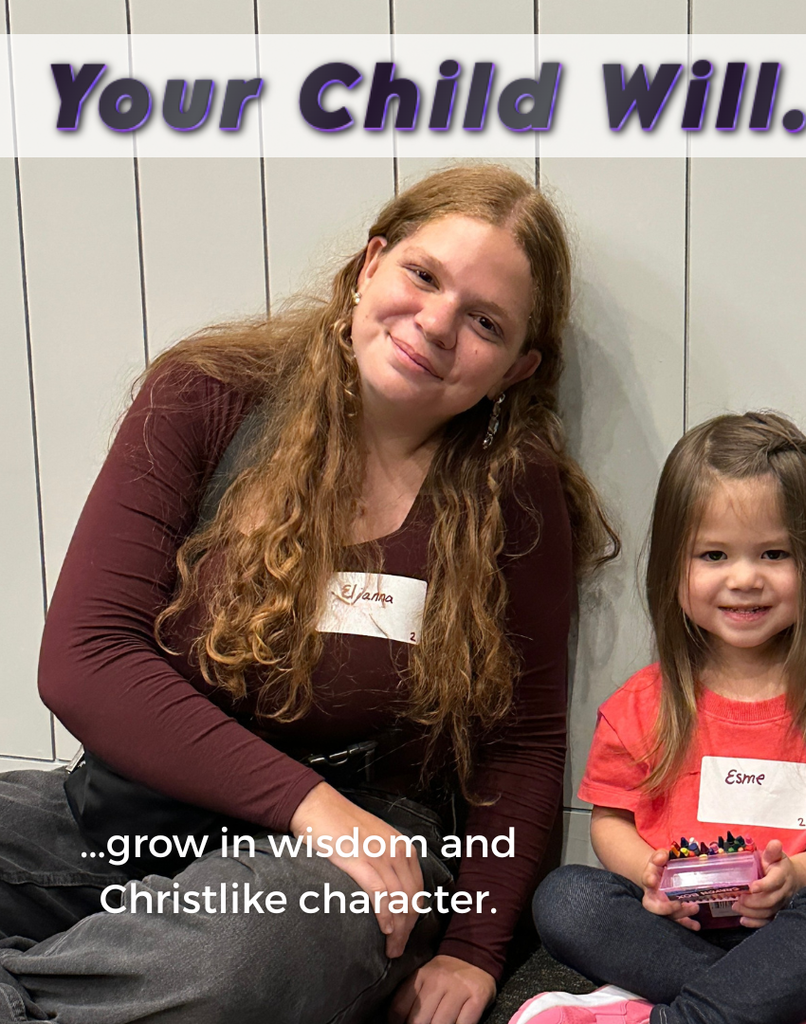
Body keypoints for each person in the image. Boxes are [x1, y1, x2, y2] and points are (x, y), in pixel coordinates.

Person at [0, 165, 617, 1024]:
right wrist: (307, 805)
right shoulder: (206, 394)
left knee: (237, 959)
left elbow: (522, 742)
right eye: (422, 275)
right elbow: (87, 660)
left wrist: (476, 951)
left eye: (485, 322)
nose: (436, 324)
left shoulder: (513, 488)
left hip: (365, 854)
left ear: (516, 369)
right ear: (369, 266)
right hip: (135, 813)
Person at [526, 412, 806, 1024]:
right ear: (673, 569)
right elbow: (611, 824)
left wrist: (799, 875)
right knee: (565, 899)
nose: (744, 578)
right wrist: (644, 875)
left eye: (774, 553)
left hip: (794, 931)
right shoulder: (641, 705)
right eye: (714, 554)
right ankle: (791, 1009)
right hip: (672, 932)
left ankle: (679, 1016)